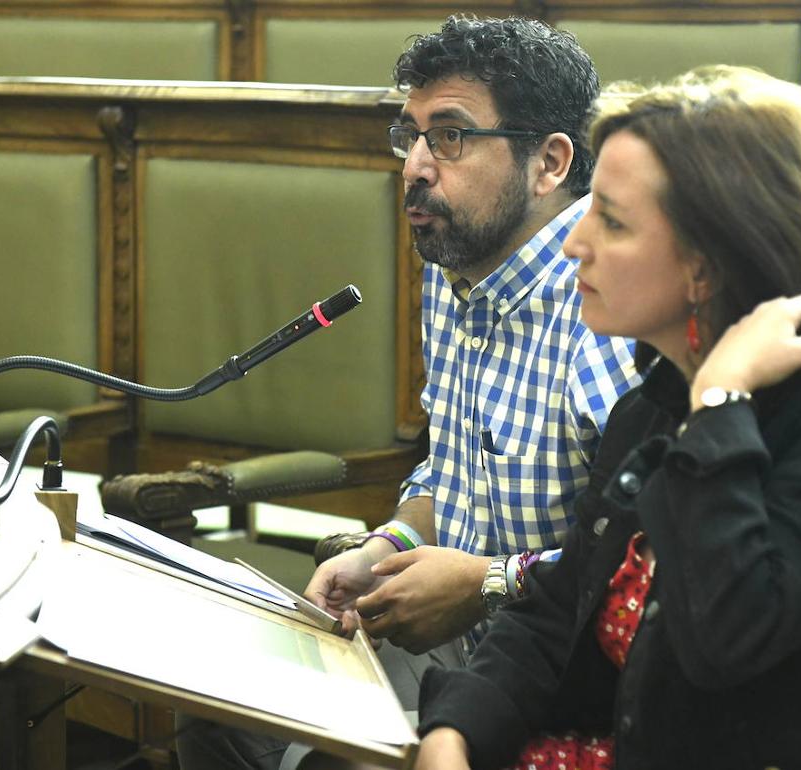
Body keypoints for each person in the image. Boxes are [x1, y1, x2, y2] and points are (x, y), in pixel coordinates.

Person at [414, 65, 801, 770]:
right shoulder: (653, 406)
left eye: (610, 219)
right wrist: (452, 734)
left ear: (708, 259)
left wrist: (722, 402)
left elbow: (728, 636)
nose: (576, 243)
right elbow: (557, 613)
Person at [176, 15, 639, 770]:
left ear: (551, 161)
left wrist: (484, 584)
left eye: (450, 136)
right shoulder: (457, 263)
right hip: (464, 649)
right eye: (410, 134)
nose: (417, 165)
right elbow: (447, 471)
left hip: (568, 680)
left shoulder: (610, 303)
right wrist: (387, 547)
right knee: (211, 703)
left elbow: (640, 571)